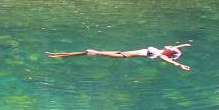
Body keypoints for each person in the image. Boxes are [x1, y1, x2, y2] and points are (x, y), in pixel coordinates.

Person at [46, 43, 191, 71]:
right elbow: (175, 48)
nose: (171, 46)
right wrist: (184, 45)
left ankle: (59, 56)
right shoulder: (163, 50)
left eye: (172, 49)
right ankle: (59, 56)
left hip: (123, 56)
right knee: (88, 51)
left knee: (89, 51)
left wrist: (179, 65)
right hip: (122, 52)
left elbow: (168, 60)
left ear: (170, 53)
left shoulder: (161, 54)